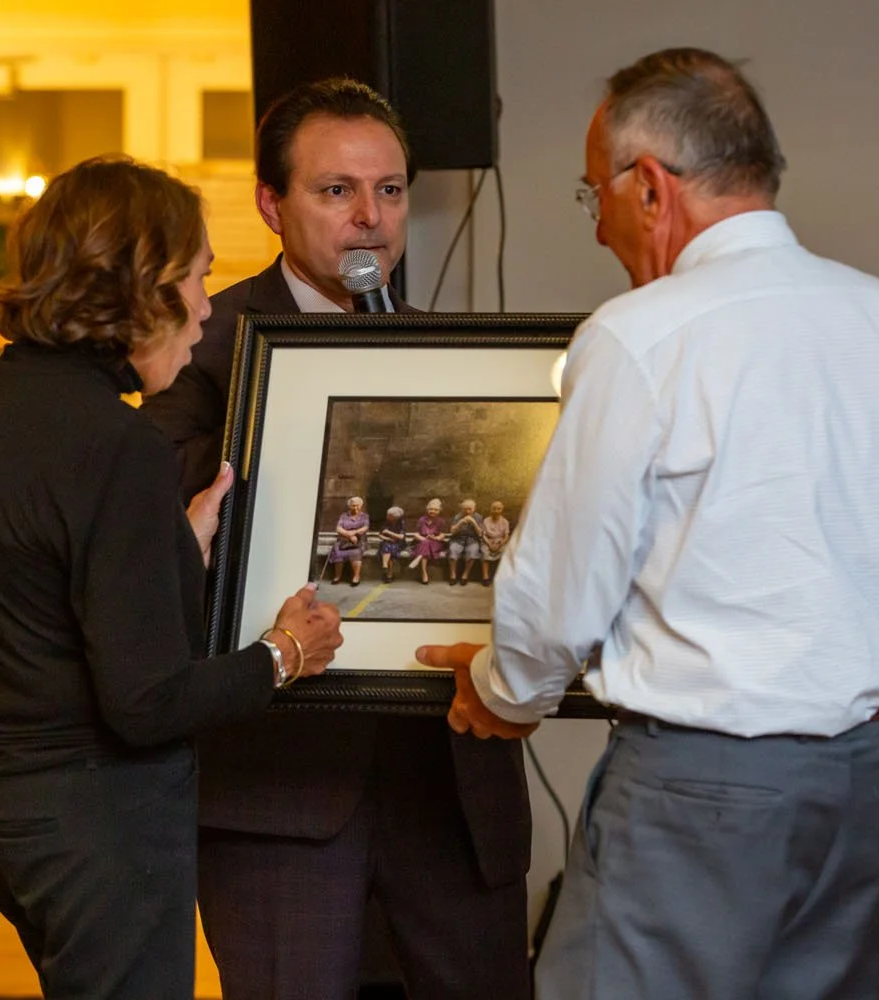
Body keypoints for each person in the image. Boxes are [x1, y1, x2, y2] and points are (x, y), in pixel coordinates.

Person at [420, 48, 879, 1000]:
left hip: (701, 791)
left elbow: (559, 595)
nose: (599, 233)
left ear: (651, 189)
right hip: (867, 784)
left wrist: (503, 692)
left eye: (595, 198)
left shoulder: (643, 337)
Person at [141, 79, 532, 1000]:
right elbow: (160, 517)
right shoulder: (203, 343)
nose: (370, 219)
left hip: (453, 790)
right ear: (272, 204)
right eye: (336, 191)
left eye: (390, 191)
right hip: (283, 797)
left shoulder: (470, 362)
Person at [0, 157, 344, 1000]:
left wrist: (164, 548)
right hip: (102, 824)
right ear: (139, 288)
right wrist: (284, 654)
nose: (202, 311)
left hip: (13, 807)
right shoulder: (115, 446)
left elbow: (49, 590)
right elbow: (148, 703)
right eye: (196, 280)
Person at [325, 496, 369, 586]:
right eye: (353, 506)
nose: (355, 507)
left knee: (356, 552)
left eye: (357, 505)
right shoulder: (344, 516)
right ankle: (337, 576)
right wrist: (348, 535)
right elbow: (338, 528)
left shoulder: (364, 516)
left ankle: (356, 577)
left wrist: (354, 533)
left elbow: (365, 528)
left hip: (359, 540)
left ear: (361, 505)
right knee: (337, 552)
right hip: (344, 539)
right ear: (350, 506)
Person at [405, 497, 448, 584]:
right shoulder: (422, 520)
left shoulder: (441, 521)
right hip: (422, 541)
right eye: (431, 509)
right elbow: (416, 534)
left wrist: (435, 538)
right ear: (427, 509)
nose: (433, 511)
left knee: (426, 544)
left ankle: (419, 559)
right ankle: (424, 573)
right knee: (425, 543)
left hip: (435, 543)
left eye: (435, 510)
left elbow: (443, 535)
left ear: (439, 511)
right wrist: (423, 538)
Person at [446, 498, 486, 586]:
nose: (467, 511)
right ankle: (453, 575)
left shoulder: (478, 517)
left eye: (470, 509)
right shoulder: (458, 516)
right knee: (453, 550)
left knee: (473, 552)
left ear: (474, 509)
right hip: (458, 539)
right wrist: (460, 523)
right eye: (465, 509)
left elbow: (480, 533)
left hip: (472, 540)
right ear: (462, 509)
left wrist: (474, 522)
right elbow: (452, 531)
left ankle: (465, 575)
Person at [480, 500, 511, 582]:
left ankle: (500, 577)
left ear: (501, 510)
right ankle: (485, 577)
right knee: (484, 552)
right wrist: (489, 544)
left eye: (498, 509)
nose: (496, 511)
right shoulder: (486, 520)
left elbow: (506, 536)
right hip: (488, 541)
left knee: (505, 553)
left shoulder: (505, 522)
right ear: (491, 509)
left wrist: (500, 544)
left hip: (500, 541)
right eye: (494, 508)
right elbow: (483, 535)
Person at [377, 505, 408, 582]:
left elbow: (401, 537)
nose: (387, 516)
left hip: (399, 543)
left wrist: (388, 532)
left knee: (390, 548)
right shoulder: (386, 522)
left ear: (395, 517)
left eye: (389, 515)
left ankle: (386, 570)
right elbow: (380, 535)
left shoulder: (401, 523)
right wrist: (388, 538)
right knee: (387, 546)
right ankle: (387, 570)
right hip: (387, 542)